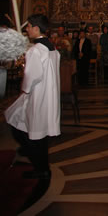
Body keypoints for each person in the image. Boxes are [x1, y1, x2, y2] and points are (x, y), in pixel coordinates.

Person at [5, 14, 60, 180]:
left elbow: (32, 76)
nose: (27, 29)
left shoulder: (36, 50)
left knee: (32, 132)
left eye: (28, 26)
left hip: (37, 95)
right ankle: (39, 164)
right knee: (29, 128)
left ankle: (41, 168)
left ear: (36, 28)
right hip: (47, 95)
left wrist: (25, 88)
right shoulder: (51, 47)